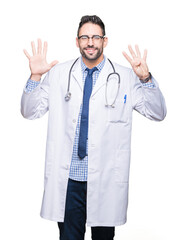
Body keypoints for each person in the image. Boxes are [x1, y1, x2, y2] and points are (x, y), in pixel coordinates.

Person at [21, 15, 166, 240]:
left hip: (105, 179)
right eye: (85, 37)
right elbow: (29, 111)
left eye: (96, 37)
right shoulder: (59, 74)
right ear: (77, 41)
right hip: (69, 180)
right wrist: (36, 76)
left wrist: (146, 78)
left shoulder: (126, 76)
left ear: (104, 41)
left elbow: (158, 113)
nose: (90, 42)